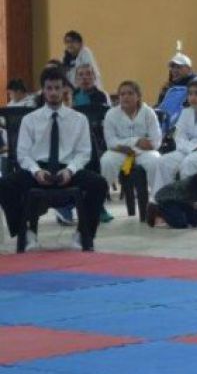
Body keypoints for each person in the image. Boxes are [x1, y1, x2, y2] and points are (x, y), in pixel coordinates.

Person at [0, 67, 108, 251]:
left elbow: (84, 153)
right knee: (5, 185)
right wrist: (36, 171)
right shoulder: (30, 119)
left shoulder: (79, 119)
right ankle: (25, 233)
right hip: (38, 169)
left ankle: (83, 233)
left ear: (64, 89)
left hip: (68, 169)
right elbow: (23, 154)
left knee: (99, 184)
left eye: (57, 88)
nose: (53, 93)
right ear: (43, 90)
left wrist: (70, 170)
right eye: (49, 88)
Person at [100, 80, 162, 190]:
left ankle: (157, 197)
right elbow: (110, 142)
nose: (125, 97)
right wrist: (136, 141)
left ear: (138, 96)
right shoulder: (111, 114)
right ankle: (101, 194)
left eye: (130, 93)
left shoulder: (148, 112)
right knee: (106, 161)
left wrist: (150, 145)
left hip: (144, 152)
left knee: (156, 160)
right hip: (120, 151)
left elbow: (156, 140)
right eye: (122, 94)